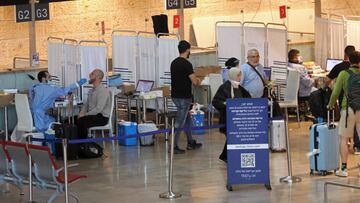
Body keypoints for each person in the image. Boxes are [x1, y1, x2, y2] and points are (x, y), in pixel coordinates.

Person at [327, 51, 360, 177]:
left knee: (344, 139)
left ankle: (344, 169)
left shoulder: (343, 74)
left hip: (348, 110)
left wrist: (330, 105)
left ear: (348, 60)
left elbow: (335, 93)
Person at [212, 68, 251, 163]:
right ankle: (225, 156)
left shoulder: (240, 88)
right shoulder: (224, 87)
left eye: (240, 75)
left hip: (238, 119)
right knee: (231, 137)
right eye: (238, 75)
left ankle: (225, 156)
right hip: (227, 118)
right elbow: (216, 101)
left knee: (233, 137)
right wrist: (227, 104)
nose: (240, 77)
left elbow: (248, 99)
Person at [170, 40, 203, 154]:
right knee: (180, 122)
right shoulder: (187, 64)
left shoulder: (173, 63)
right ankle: (173, 146)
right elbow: (194, 81)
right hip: (184, 97)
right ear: (188, 50)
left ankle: (190, 142)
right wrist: (199, 80)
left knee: (187, 119)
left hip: (175, 95)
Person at [77, 69, 111, 139]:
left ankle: (83, 145)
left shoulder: (103, 91)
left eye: (92, 74)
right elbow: (86, 105)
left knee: (81, 121)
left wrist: (84, 115)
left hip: (101, 117)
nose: (89, 75)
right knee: (70, 120)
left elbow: (98, 109)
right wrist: (81, 113)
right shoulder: (91, 91)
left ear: (98, 78)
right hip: (92, 116)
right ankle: (72, 145)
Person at [288, 49, 316, 118]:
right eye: (299, 56)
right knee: (317, 91)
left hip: (292, 92)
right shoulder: (300, 67)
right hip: (303, 92)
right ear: (295, 57)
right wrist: (314, 79)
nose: (301, 57)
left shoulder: (287, 65)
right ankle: (315, 112)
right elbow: (307, 82)